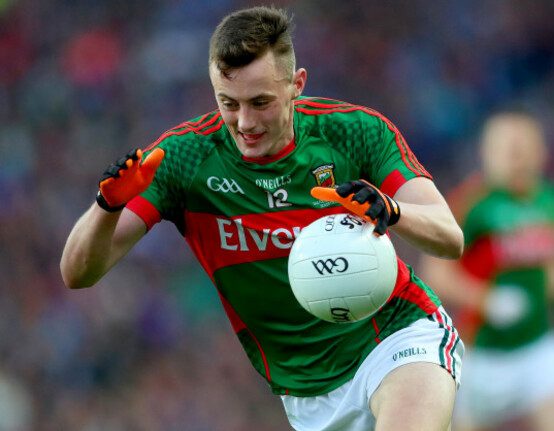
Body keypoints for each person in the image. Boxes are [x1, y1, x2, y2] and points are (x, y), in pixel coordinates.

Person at [60, 6, 465, 431]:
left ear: (296, 85)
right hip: (305, 394)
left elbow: (449, 236)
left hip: (399, 339)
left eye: (260, 103)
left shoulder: (355, 132)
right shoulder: (182, 159)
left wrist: (392, 210)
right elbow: (78, 273)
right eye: (228, 104)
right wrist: (106, 207)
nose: (245, 122)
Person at [419, 109, 554, 431]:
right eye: (507, 150)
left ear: (541, 152)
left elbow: (552, 259)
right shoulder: (471, 204)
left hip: (540, 346)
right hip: (483, 354)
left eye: (523, 148)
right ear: (487, 154)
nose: (516, 159)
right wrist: (487, 300)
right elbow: (435, 272)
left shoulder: (549, 200)